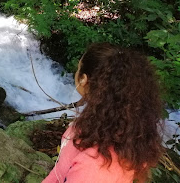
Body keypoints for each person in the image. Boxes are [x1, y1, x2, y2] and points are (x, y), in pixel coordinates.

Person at [43, 43, 163, 183]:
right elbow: (59, 171)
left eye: (78, 68)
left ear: (83, 79)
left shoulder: (95, 167)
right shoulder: (107, 124)